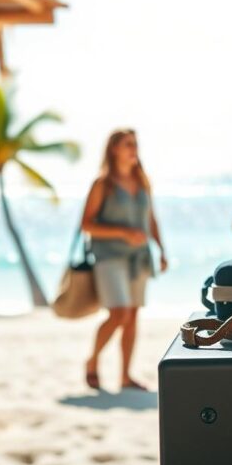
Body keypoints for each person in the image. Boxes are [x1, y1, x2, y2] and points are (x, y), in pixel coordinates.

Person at [81, 128, 167, 391]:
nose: (133, 149)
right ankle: (92, 361)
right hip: (109, 257)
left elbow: (151, 219)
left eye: (135, 144)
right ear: (114, 149)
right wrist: (123, 232)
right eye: (128, 144)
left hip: (139, 258)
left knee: (132, 315)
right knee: (118, 313)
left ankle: (125, 376)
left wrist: (161, 249)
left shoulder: (142, 181)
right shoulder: (102, 184)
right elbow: (86, 224)